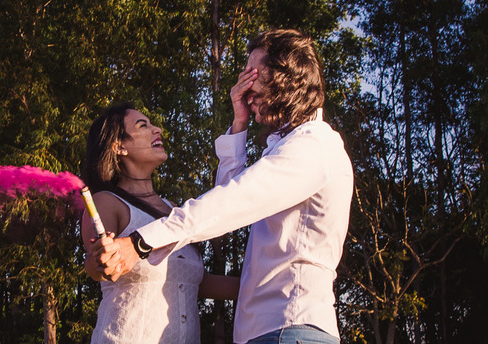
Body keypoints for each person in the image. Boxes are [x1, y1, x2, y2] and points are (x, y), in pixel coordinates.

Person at [91, 29, 354, 344]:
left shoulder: (312, 146)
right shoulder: (288, 146)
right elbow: (225, 203)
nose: (245, 87)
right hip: (270, 331)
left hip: (290, 329)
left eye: (253, 74)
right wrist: (239, 124)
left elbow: (230, 202)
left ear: (283, 75)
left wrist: (139, 243)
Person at [81, 101, 238, 343]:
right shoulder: (107, 202)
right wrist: (102, 262)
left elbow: (191, 279)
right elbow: (96, 266)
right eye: (143, 125)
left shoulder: (176, 211)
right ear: (118, 146)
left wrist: (262, 285)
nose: (158, 130)